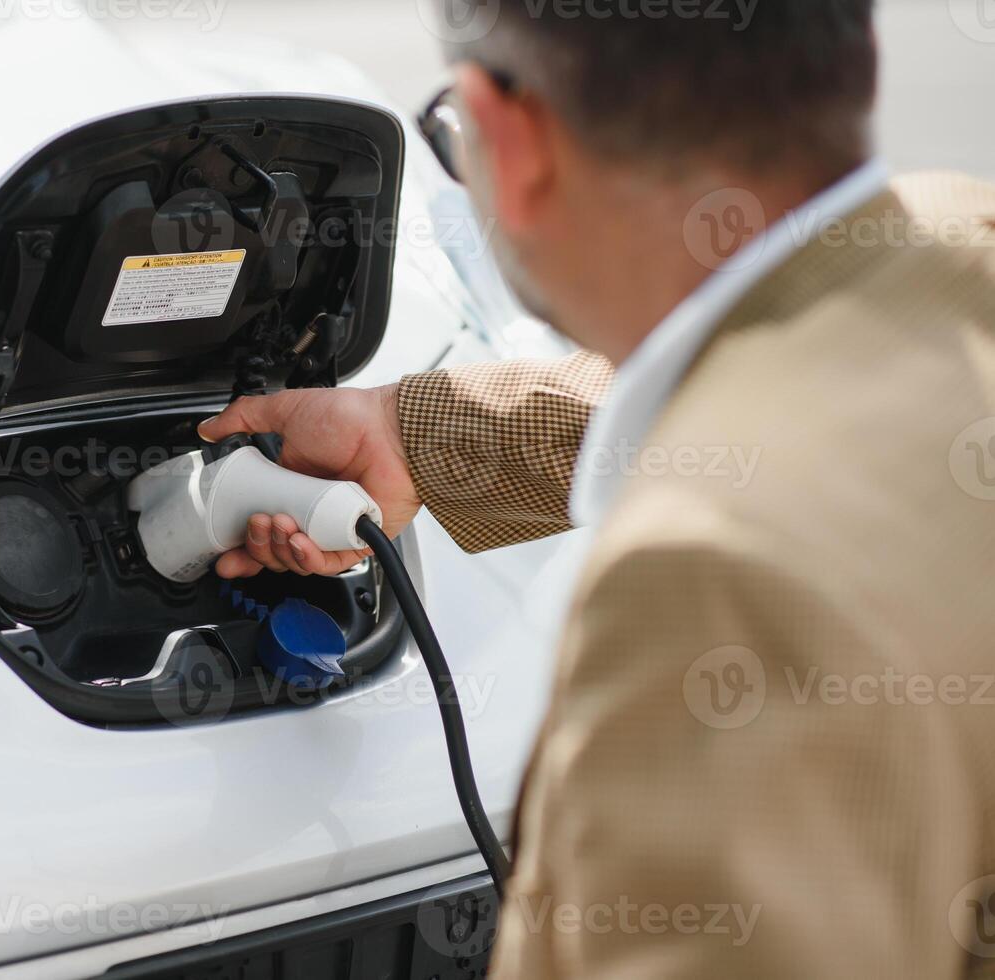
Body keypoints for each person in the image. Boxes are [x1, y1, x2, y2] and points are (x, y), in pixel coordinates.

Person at [199, 2, 995, 976]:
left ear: (509, 139)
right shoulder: (962, 244)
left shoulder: (715, 573)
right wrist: (412, 433)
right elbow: (808, 367)